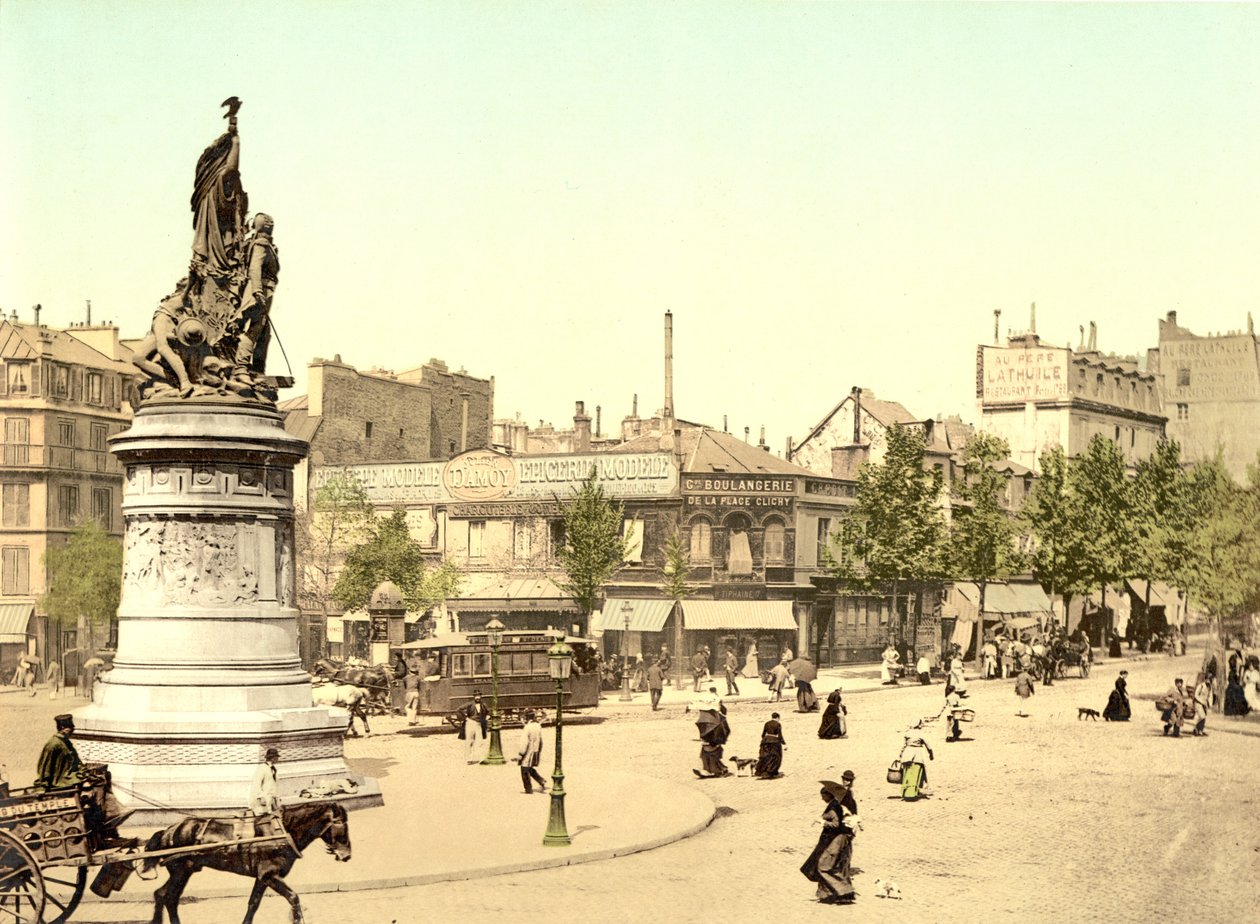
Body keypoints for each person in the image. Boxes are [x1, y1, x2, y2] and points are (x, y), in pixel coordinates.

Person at [800, 775, 859, 904]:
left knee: (824, 866)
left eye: (823, 795)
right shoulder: (836, 804)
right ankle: (828, 894)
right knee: (829, 865)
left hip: (835, 840)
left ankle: (844, 890)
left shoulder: (834, 807)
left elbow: (835, 824)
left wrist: (822, 822)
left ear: (828, 795)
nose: (822, 798)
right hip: (836, 839)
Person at [36, 714, 85, 791]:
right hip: (62, 781)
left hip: (72, 777)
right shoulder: (54, 744)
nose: (73, 730)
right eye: (70, 728)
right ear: (62, 727)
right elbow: (45, 767)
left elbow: (76, 761)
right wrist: (43, 786)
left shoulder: (66, 742)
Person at [513, 710, 548, 794]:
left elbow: (524, 742)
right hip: (535, 751)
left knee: (524, 769)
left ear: (527, 718)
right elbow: (540, 740)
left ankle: (528, 789)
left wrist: (521, 754)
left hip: (528, 751)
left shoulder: (527, 727)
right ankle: (541, 780)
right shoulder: (538, 726)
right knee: (529, 768)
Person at [249, 747, 281, 816]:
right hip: (263, 799)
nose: (278, 759)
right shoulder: (262, 768)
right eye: (276, 757)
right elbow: (257, 783)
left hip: (270, 799)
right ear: (272, 758)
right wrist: (260, 796)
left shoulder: (273, 769)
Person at [459, 690, 489, 762]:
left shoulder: (483, 704)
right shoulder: (470, 704)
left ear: (481, 696)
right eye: (476, 696)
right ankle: (468, 759)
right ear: (474, 697)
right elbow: (459, 709)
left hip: (479, 724)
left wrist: (487, 717)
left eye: (479, 696)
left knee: (479, 742)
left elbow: (488, 712)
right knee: (469, 741)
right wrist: (465, 718)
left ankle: (479, 758)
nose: (477, 697)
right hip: (470, 723)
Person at [754, 712, 785, 779]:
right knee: (775, 757)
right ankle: (771, 772)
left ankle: (761, 771)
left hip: (766, 740)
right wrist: (784, 743)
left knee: (765, 756)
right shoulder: (778, 724)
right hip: (774, 741)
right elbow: (780, 735)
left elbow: (763, 734)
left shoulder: (767, 723)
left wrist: (765, 740)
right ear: (777, 718)